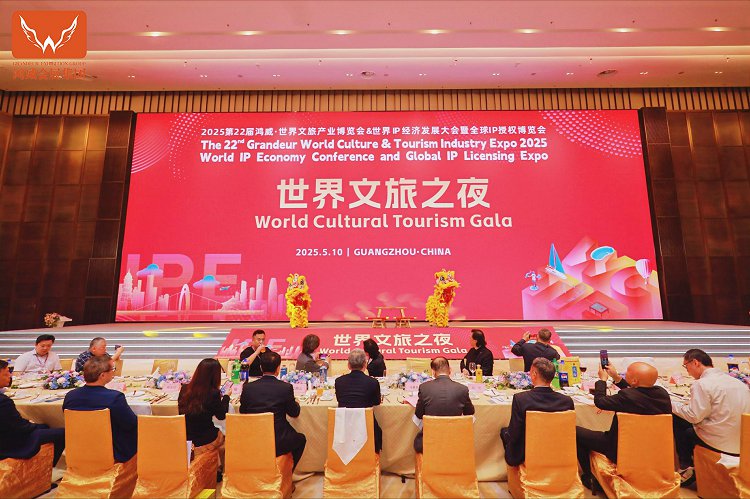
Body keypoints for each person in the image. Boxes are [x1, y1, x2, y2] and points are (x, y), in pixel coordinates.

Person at [575, 361, 671, 490]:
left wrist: (602, 380)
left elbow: (601, 401)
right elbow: (636, 393)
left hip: (619, 447)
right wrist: (616, 377)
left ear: (635, 380)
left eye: (627, 373)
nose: (625, 374)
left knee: (575, 432)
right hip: (652, 447)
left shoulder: (627, 397)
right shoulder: (662, 394)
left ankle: (590, 477)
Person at [672, 349, 750, 486]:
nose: (688, 372)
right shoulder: (738, 383)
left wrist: (671, 403)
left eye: (686, 367)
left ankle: (686, 467)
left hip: (720, 441)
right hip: (743, 442)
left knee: (679, 421)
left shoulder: (702, 383)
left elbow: (693, 416)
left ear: (695, 362)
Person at [63, 355, 137, 463]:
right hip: (112, 452)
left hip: (80, 448)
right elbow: (131, 424)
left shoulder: (71, 396)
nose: (113, 372)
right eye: (112, 369)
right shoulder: (114, 397)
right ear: (102, 375)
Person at [500, 358, 574, 466]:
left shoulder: (521, 399)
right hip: (558, 452)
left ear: (534, 374)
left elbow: (514, 434)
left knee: (504, 432)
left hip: (527, 453)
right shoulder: (566, 401)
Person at [240, 351, 306, 469]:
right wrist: (296, 403)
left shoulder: (248, 388)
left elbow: (242, 412)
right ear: (278, 369)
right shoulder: (285, 388)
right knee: (301, 439)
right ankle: (286, 473)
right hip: (278, 440)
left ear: (261, 367)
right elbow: (294, 413)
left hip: (253, 438)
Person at [0, 359, 65, 468]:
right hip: (8, 444)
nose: (10, 376)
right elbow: (20, 427)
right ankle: (47, 470)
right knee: (62, 433)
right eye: (6, 374)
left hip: (6, 435)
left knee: (44, 427)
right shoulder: (3, 401)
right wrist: (33, 424)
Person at [413, 357, 475, 453]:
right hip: (455, 440)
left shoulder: (424, 388)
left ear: (433, 372)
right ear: (450, 370)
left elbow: (418, 414)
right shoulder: (462, 389)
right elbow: (469, 412)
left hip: (429, 441)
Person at [178, 358, 229, 461]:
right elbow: (221, 416)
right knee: (226, 434)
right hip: (205, 438)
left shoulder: (184, 388)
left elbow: (181, 413)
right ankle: (217, 465)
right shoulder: (213, 393)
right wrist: (226, 397)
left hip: (187, 437)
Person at [335, 348, 383, 452]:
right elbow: (377, 402)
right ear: (365, 365)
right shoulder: (372, 382)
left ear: (348, 365)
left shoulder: (339, 381)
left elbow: (339, 399)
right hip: (367, 429)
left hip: (344, 430)